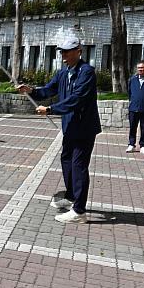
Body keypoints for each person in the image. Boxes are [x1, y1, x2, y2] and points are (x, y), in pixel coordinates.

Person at [18, 36, 101, 224]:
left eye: (66, 51)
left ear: (78, 51)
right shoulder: (64, 72)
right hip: (70, 126)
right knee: (66, 160)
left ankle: (79, 211)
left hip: (84, 128)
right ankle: (72, 196)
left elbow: (77, 98)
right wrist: (31, 90)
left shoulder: (86, 72)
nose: (63, 55)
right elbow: (48, 90)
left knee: (79, 166)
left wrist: (50, 109)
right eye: (61, 51)